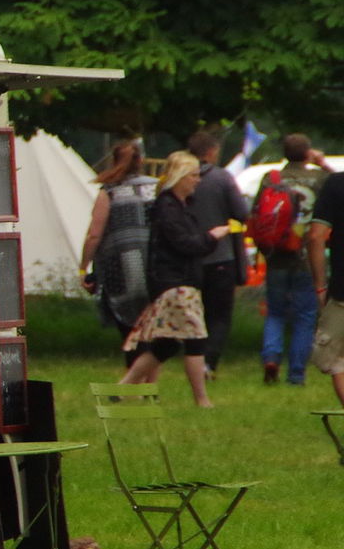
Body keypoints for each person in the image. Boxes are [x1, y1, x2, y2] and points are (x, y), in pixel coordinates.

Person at [118, 151, 229, 408]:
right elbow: (185, 244)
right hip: (175, 283)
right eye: (193, 176)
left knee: (166, 344)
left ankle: (122, 389)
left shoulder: (180, 207)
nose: (197, 181)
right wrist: (212, 237)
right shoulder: (167, 207)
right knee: (196, 339)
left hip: (181, 280)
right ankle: (202, 400)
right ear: (180, 177)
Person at [260, 134, 331, 385]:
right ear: (307, 153)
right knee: (305, 316)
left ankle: (271, 358)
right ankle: (296, 373)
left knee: (275, 312)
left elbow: (257, 214)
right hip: (307, 256)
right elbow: (339, 186)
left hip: (276, 254)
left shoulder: (271, 179)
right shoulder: (319, 179)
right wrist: (322, 163)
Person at [79, 140, 157, 369]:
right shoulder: (155, 187)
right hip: (155, 264)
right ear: (141, 160)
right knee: (150, 325)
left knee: (129, 326)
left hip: (120, 267)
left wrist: (84, 267)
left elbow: (94, 234)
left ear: (114, 160)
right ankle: (145, 379)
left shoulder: (109, 192)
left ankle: (133, 374)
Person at [185, 130, 249, 379]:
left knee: (192, 313)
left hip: (188, 256)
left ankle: (193, 355)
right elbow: (241, 212)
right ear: (211, 152)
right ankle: (208, 362)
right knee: (219, 315)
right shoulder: (222, 178)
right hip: (220, 256)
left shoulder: (177, 179)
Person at [305, 168, 344, 406]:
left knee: (338, 360)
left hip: (342, 290)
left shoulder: (337, 185)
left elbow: (316, 236)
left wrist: (320, 285)